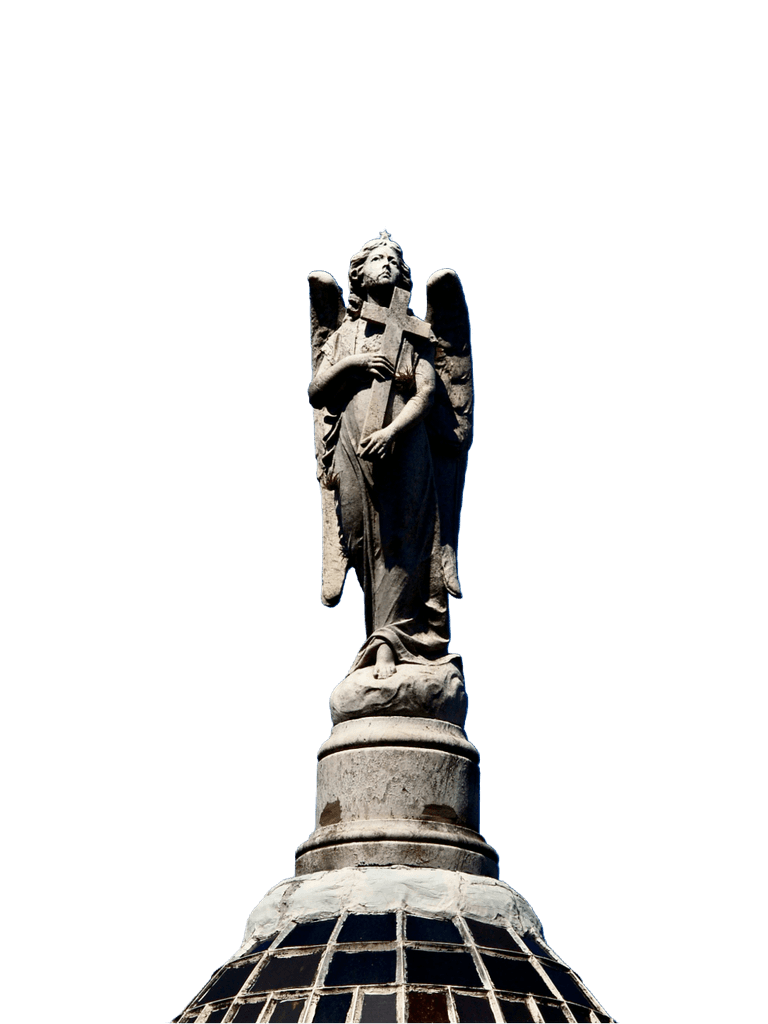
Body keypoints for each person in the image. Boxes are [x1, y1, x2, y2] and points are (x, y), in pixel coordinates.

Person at [309, 236, 455, 679]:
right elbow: (316, 392)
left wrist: (393, 431)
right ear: (359, 273)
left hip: (405, 444)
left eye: (395, 259)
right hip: (353, 447)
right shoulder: (343, 335)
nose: (387, 264)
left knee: (400, 538)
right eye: (377, 258)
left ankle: (390, 646)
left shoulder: (413, 330)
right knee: (359, 538)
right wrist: (355, 366)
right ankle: (377, 634)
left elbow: (427, 391)